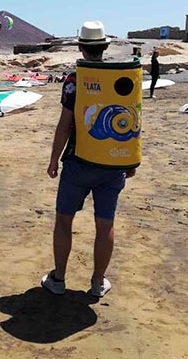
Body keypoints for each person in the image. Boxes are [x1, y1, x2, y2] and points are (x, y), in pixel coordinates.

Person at [43, 21, 137, 298]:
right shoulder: (126, 76)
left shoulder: (75, 80)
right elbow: (134, 119)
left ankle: (58, 279)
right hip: (112, 164)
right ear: (105, 47)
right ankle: (97, 282)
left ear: (81, 47)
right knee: (105, 224)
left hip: (78, 162)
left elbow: (65, 124)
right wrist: (130, 160)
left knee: (64, 220)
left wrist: (54, 160)